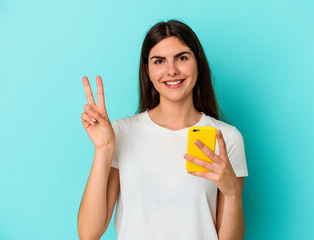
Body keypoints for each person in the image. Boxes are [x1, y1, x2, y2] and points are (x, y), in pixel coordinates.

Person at [77, 20, 248, 240]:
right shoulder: (121, 132)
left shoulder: (226, 138)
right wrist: (103, 150)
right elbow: (89, 233)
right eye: (159, 61)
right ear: (147, 70)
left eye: (182, 58)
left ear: (198, 63)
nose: (172, 70)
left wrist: (232, 192)